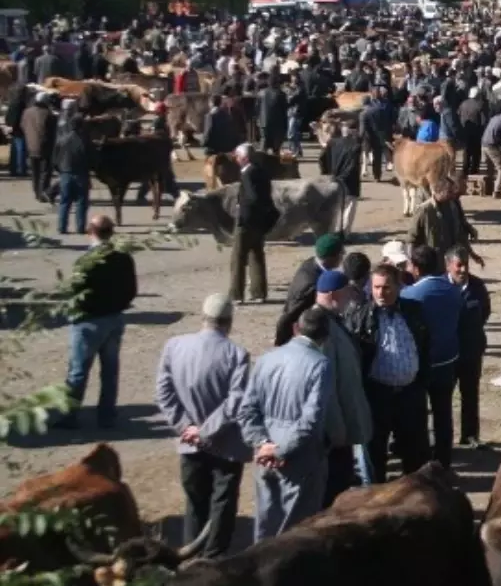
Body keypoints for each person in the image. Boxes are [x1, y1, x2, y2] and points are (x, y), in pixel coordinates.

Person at [154, 293, 251, 558]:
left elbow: (163, 393)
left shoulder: (174, 346)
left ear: (203, 318)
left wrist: (187, 427)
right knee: (222, 503)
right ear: (229, 322)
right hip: (225, 444)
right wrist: (207, 430)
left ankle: (192, 556)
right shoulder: (237, 355)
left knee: (195, 503)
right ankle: (214, 556)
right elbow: (236, 401)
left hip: (189, 444)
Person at [238, 307, 332, 541]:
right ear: (325, 337)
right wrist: (279, 450)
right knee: (296, 536)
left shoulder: (267, 359)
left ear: (295, 328)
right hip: (300, 461)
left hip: (264, 458)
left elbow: (247, 411)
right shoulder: (320, 364)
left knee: (265, 529)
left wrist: (263, 444)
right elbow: (310, 422)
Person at [343, 263, 431, 482]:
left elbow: (426, 346)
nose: (381, 293)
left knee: (416, 456)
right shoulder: (360, 316)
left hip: (410, 395)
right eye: (376, 287)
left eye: (386, 287)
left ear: (399, 286)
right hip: (377, 396)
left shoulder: (414, 310)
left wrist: (421, 384)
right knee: (375, 457)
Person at [56, 215, 137, 429]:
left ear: (90, 231)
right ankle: (107, 414)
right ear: (111, 232)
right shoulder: (123, 258)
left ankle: (70, 415)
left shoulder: (87, 261)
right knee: (110, 370)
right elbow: (131, 290)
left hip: (89, 321)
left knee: (78, 370)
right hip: (114, 318)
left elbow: (75, 291)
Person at [312, 270, 372, 506]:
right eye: (347, 292)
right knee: (334, 486)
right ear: (334, 295)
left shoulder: (332, 320)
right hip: (333, 430)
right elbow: (324, 384)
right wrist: (336, 431)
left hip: (342, 425)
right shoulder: (321, 327)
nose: (351, 297)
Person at [401, 245, 463, 470]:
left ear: (416, 268)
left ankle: (422, 461)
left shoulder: (410, 295)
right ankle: (444, 461)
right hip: (448, 359)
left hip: (423, 364)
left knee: (419, 415)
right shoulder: (453, 289)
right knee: (443, 413)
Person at [446, 245, 490, 449]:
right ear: (448, 266)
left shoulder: (478, 286)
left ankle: (470, 434)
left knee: (470, 394)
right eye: (459, 265)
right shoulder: (440, 288)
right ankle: (444, 438)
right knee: (444, 398)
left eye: (466, 265)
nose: (463, 270)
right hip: (447, 353)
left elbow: (485, 312)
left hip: (471, 350)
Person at [229, 144, 279, 305]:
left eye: (237, 156)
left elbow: (252, 197)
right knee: (256, 255)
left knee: (238, 258)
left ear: (244, 158)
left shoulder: (247, 173)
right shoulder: (262, 171)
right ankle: (259, 292)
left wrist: (242, 210)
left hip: (247, 221)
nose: (235, 159)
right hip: (260, 221)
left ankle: (236, 295)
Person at [274, 234, 345, 346]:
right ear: (331, 257)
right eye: (341, 254)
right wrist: (281, 345)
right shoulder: (311, 284)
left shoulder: (311, 264)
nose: (343, 257)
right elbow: (289, 317)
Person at [318, 121, 363, 235]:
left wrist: (326, 174)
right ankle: (344, 234)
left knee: (333, 209)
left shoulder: (332, 142)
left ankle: (330, 233)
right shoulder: (356, 145)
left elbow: (321, 158)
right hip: (349, 182)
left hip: (333, 180)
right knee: (348, 209)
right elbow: (352, 165)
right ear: (354, 131)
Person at [52, 114, 91, 235]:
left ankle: (62, 227)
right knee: (81, 202)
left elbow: (54, 159)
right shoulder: (85, 141)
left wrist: (60, 170)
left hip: (65, 173)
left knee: (64, 201)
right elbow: (93, 159)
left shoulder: (62, 139)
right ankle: (80, 227)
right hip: (81, 174)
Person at [21, 90, 56, 202]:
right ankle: (43, 193)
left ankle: (37, 192)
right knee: (45, 171)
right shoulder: (48, 114)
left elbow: (22, 125)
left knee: (35, 171)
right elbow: (52, 131)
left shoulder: (27, 112)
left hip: (30, 145)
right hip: (44, 146)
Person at [361, 89, 394, 182]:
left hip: (370, 135)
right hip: (380, 134)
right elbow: (389, 120)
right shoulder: (383, 108)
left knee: (370, 154)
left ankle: (372, 173)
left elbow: (364, 125)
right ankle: (377, 176)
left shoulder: (367, 110)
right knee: (377, 157)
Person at [481, 104, 501, 198]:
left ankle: (488, 189)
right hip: (492, 146)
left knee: (490, 169)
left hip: (483, 144)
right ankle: (497, 191)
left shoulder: (494, 118)